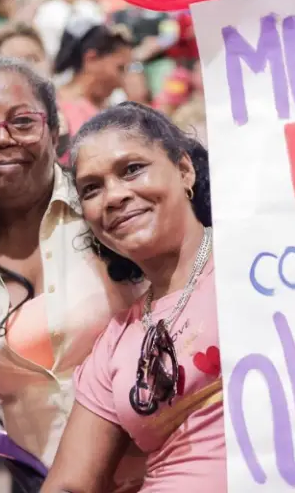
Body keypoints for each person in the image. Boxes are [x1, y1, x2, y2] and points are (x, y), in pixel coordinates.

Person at [0, 56, 147, 491]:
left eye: (22, 121)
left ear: (54, 127)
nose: (2, 139)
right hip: (38, 480)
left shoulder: (110, 208)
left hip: (157, 475)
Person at [41, 102, 222, 492]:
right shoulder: (117, 341)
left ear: (184, 170)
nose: (114, 196)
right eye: (92, 188)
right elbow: (69, 485)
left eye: (132, 170)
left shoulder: (259, 269)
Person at [0, 23, 71, 159]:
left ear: (49, 63)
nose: (25, 66)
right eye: (11, 60)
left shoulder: (79, 112)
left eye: (32, 58)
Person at [54, 19, 132, 137]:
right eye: (120, 68)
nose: (121, 82)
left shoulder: (114, 111)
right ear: (91, 58)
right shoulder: (52, 107)